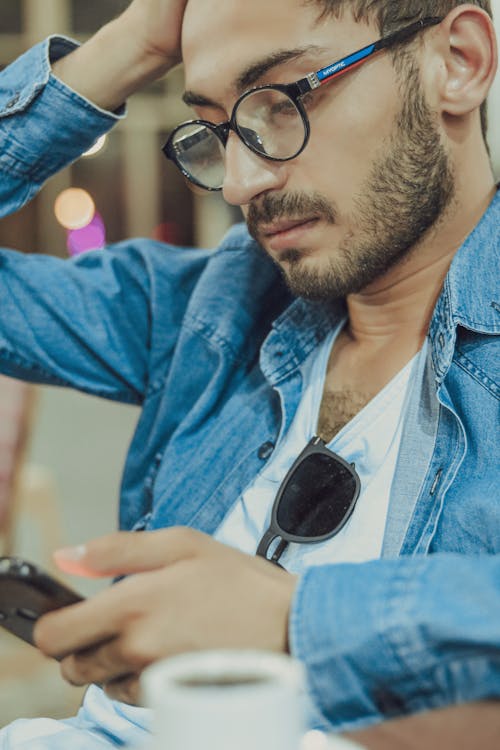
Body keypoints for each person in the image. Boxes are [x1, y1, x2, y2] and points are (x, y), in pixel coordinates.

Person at [0, 0, 499, 747]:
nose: (239, 181)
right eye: (217, 127)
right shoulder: (211, 310)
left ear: (458, 62)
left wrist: (292, 623)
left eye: (280, 101)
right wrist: (127, 46)